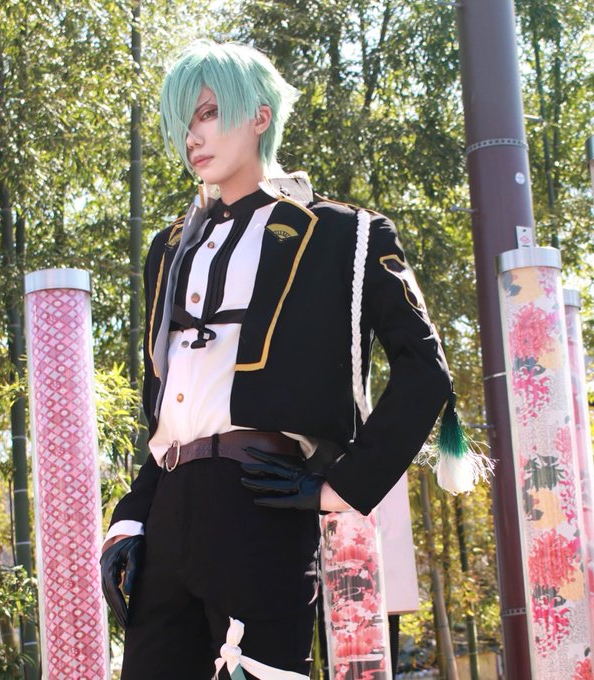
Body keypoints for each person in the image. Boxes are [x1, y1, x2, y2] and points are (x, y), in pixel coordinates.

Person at [101, 39, 453, 679]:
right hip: (168, 510)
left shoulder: (343, 234)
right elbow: (173, 405)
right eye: (183, 121)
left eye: (208, 113)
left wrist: (341, 488)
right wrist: (129, 520)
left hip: (261, 503)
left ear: (259, 116)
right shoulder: (170, 247)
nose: (192, 136)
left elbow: (425, 371)